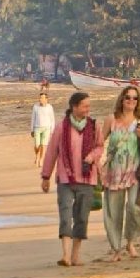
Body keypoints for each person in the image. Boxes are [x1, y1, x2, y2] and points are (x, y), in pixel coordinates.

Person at [41, 92, 104, 267]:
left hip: (87, 179)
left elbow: (100, 147)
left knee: (81, 218)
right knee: (66, 216)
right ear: (74, 107)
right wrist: (45, 176)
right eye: (84, 106)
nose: (87, 109)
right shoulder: (61, 127)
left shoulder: (94, 126)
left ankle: (76, 255)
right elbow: (52, 152)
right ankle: (65, 255)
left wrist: (91, 157)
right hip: (65, 179)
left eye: (88, 106)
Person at [100, 87, 140, 261]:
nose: (131, 101)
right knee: (113, 212)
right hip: (114, 172)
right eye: (128, 97)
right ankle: (116, 249)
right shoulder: (112, 119)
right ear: (122, 99)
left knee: (134, 207)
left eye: (135, 98)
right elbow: (99, 142)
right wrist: (95, 162)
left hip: (135, 172)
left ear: (138, 102)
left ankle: (130, 241)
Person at [31, 92, 56, 167]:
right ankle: (37, 155)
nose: (40, 99)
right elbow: (33, 118)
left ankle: (41, 159)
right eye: (40, 98)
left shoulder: (50, 107)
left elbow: (52, 119)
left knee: (43, 145)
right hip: (37, 128)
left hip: (46, 128)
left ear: (46, 99)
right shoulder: (35, 106)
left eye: (42, 98)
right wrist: (32, 129)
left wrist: (52, 130)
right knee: (37, 145)